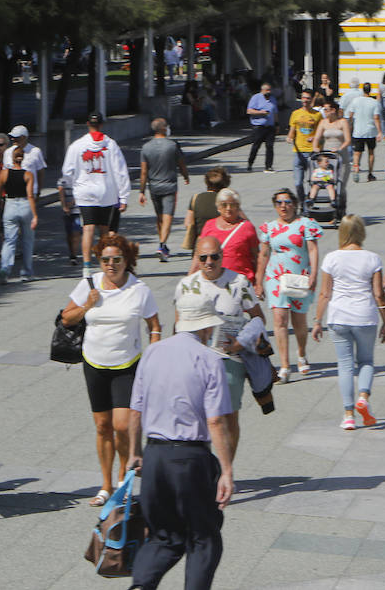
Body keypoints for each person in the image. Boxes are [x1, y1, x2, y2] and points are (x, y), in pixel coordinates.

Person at [125, 305, 234, 590]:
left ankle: (141, 586)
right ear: (207, 327)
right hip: (191, 457)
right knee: (203, 537)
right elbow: (216, 421)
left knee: (163, 536)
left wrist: (134, 452)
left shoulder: (152, 352)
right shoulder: (209, 359)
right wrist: (226, 470)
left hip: (155, 454)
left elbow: (135, 410)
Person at [59, 233, 161, 508]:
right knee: (102, 427)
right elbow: (67, 319)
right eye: (105, 259)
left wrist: (153, 353)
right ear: (99, 261)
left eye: (117, 259)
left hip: (128, 365)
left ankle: (122, 484)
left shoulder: (139, 289)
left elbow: (154, 324)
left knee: (121, 426)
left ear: (127, 260)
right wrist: (87, 304)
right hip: (94, 364)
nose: (111, 264)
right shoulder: (89, 284)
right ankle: (105, 486)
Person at [175, 235, 263, 455]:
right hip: (196, 360)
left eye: (214, 256)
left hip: (229, 359)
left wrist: (240, 342)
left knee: (229, 415)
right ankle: (204, 465)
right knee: (198, 415)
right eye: (203, 257)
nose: (209, 262)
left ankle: (225, 469)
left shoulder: (239, 283)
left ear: (222, 256)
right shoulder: (186, 285)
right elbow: (178, 324)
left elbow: (258, 318)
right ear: (197, 258)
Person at [311, 216, 385, 431]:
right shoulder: (373, 259)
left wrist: (317, 321)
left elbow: (325, 293)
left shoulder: (331, 258)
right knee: (366, 361)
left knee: (344, 365)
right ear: (361, 233)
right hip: (365, 316)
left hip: (339, 317)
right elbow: (378, 294)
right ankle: (363, 396)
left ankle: (348, 415)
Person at [255, 189, 323, 382]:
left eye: (287, 202)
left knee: (299, 322)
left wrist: (314, 274)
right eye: (279, 203)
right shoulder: (269, 228)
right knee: (279, 319)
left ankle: (301, 354)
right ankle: (285, 365)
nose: (283, 206)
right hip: (276, 277)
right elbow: (264, 254)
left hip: (299, 277)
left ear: (294, 204)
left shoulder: (305, 225)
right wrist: (258, 281)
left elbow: (312, 249)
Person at [61, 112, 130, 276]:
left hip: (85, 193)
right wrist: (124, 195)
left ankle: (86, 266)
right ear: (102, 124)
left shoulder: (77, 145)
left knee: (88, 229)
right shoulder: (111, 145)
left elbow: (67, 172)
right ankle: (105, 263)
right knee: (105, 231)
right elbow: (121, 171)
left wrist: (73, 187)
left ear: (87, 124)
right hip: (106, 192)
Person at [138, 118, 190, 262]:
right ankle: (162, 245)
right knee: (168, 216)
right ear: (163, 129)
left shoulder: (146, 147)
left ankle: (162, 244)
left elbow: (143, 171)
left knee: (160, 217)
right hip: (170, 186)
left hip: (153, 187)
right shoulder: (173, 145)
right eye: (166, 126)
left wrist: (141, 191)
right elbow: (181, 164)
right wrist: (186, 176)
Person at [196, 189, 257, 288]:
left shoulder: (247, 227)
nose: (228, 208)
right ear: (218, 207)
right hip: (213, 282)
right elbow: (198, 255)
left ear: (238, 207)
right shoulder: (209, 225)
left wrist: (258, 283)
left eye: (232, 205)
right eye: (224, 205)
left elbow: (256, 257)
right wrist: (191, 276)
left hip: (240, 282)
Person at [0, 143, 39, 283]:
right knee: (27, 240)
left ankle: (5, 269)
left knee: (9, 240)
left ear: (12, 158)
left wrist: (0, 201)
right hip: (25, 205)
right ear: (23, 158)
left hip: (10, 204)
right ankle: (26, 273)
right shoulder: (28, 175)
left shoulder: (4, 173)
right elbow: (30, 195)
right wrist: (35, 215)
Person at [312, 99, 352, 195]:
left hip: (341, 156)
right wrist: (315, 147)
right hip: (328, 157)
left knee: (341, 184)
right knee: (329, 181)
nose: (324, 112)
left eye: (326, 110)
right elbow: (317, 137)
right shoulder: (323, 122)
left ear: (333, 110)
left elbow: (348, 140)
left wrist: (339, 149)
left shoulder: (342, 122)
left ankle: (341, 204)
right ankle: (332, 199)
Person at [286, 89, 319, 203]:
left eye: (307, 98)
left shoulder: (317, 115)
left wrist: (315, 138)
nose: (305, 100)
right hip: (298, 152)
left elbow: (321, 133)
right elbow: (292, 130)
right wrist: (290, 137)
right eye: (303, 97)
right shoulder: (295, 114)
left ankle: (310, 200)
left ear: (312, 100)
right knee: (298, 182)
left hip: (312, 153)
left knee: (314, 181)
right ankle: (301, 202)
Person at [346, 82, 383, 182]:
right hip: (370, 131)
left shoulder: (355, 101)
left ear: (363, 90)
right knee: (371, 153)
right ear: (370, 90)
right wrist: (379, 132)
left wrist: (349, 126)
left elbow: (350, 115)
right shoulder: (374, 102)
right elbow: (376, 118)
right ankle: (370, 174)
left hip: (358, 131)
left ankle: (356, 168)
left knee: (357, 153)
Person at [245, 82, 279, 173]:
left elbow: (275, 112)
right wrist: (261, 112)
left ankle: (268, 166)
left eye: (270, 90)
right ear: (262, 90)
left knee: (269, 146)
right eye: (267, 90)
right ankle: (250, 163)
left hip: (270, 126)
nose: (269, 92)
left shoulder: (273, 99)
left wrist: (277, 124)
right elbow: (249, 111)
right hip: (259, 126)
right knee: (256, 146)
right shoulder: (255, 98)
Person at [6, 124, 47, 195]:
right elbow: (5, 173)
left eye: (16, 137)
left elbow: (40, 172)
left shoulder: (36, 151)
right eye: (12, 137)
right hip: (12, 193)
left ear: (24, 137)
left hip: (30, 192)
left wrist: (38, 191)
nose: (13, 139)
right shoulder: (7, 152)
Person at [60, 177, 83, 265]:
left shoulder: (81, 177)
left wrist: (71, 204)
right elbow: (61, 192)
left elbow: (81, 191)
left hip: (79, 209)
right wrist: (64, 206)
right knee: (69, 233)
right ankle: (71, 253)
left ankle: (74, 255)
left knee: (76, 233)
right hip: (67, 211)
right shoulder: (63, 180)